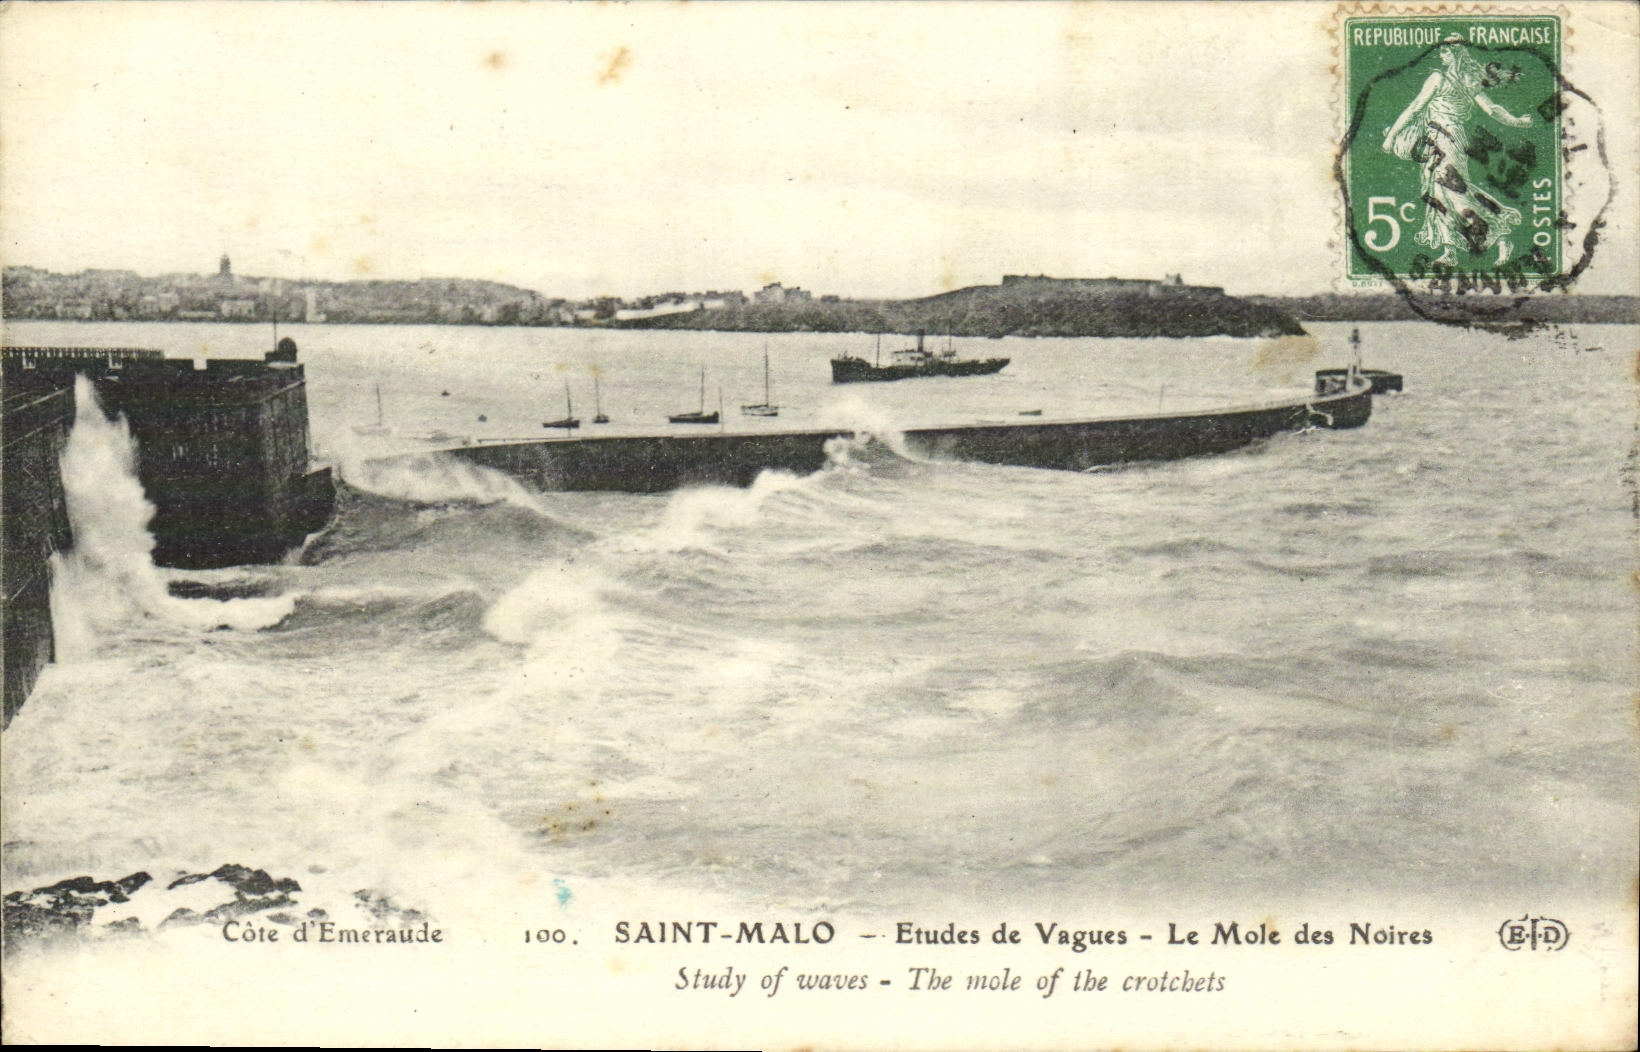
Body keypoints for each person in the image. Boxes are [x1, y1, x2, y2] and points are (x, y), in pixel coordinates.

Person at [1382, 36, 1534, 266]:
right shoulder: (1467, 80)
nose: (1441, 56)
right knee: (1437, 193)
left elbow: (1414, 108)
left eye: (1444, 52)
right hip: (1437, 141)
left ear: (1455, 54)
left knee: (1456, 193)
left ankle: (1502, 237)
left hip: (1447, 140)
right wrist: (1517, 121)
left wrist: (1393, 136)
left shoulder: (1439, 78)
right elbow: (1492, 109)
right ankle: (1450, 251)